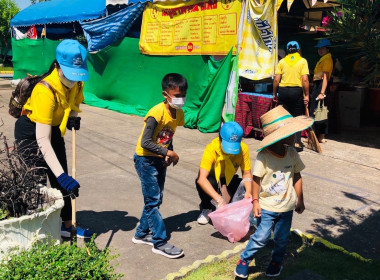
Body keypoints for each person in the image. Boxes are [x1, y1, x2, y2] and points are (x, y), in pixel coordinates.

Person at [14, 39, 93, 239]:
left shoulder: (77, 83)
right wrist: (61, 176)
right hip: (30, 132)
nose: (72, 79)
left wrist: (73, 120)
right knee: (36, 181)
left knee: (62, 179)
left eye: (76, 75)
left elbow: (75, 105)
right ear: (57, 65)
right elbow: (42, 139)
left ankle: (67, 224)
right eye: (69, 74)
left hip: (54, 128)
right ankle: (34, 228)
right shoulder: (45, 90)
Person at [234, 105, 314, 278]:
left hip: (286, 208)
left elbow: (297, 177)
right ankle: (244, 260)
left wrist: (300, 200)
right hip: (267, 206)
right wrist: (255, 202)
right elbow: (256, 180)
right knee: (261, 237)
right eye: (291, 133)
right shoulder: (264, 156)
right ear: (280, 137)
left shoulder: (292, 153)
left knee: (282, 238)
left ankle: (276, 261)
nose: (295, 136)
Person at [132, 73, 187, 259]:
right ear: (166, 94)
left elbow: (168, 136)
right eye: (177, 95)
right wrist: (168, 153)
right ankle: (159, 242)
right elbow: (146, 142)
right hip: (145, 160)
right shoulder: (156, 113)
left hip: (158, 159)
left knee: (155, 199)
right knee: (153, 201)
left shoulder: (178, 114)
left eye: (183, 95)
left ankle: (141, 233)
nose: (180, 99)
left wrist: (168, 152)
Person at [195, 121, 253, 225]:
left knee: (244, 187)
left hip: (229, 178)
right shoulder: (212, 148)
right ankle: (206, 207)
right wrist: (218, 199)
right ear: (220, 139)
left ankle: (231, 205)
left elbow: (247, 174)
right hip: (213, 178)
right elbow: (202, 179)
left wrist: (248, 191)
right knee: (206, 182)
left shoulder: (243, 149)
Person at [272, 41, 310, 151]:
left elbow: (276, 79)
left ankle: (283, 141)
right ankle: (297, 142)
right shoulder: (303, 61)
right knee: (297, 117)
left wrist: (274, 93)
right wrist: (307, 95)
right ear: (298, 49)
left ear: (287, 50)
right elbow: (305, 79)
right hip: (296, 92)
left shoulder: (282, 61)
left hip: (283, 91)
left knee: (284, 117)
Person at [310, 38, 333, 143]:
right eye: (319, 48)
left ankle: (320, 136)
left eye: (322, 48)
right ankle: (316, 136)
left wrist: (322, 93)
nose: (320, 50)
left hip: (321, 86)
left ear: (328, 49)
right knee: (317, 111)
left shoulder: (327, 59)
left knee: (319, 111)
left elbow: (325, 77)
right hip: (318, 85)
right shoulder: (323, 58)